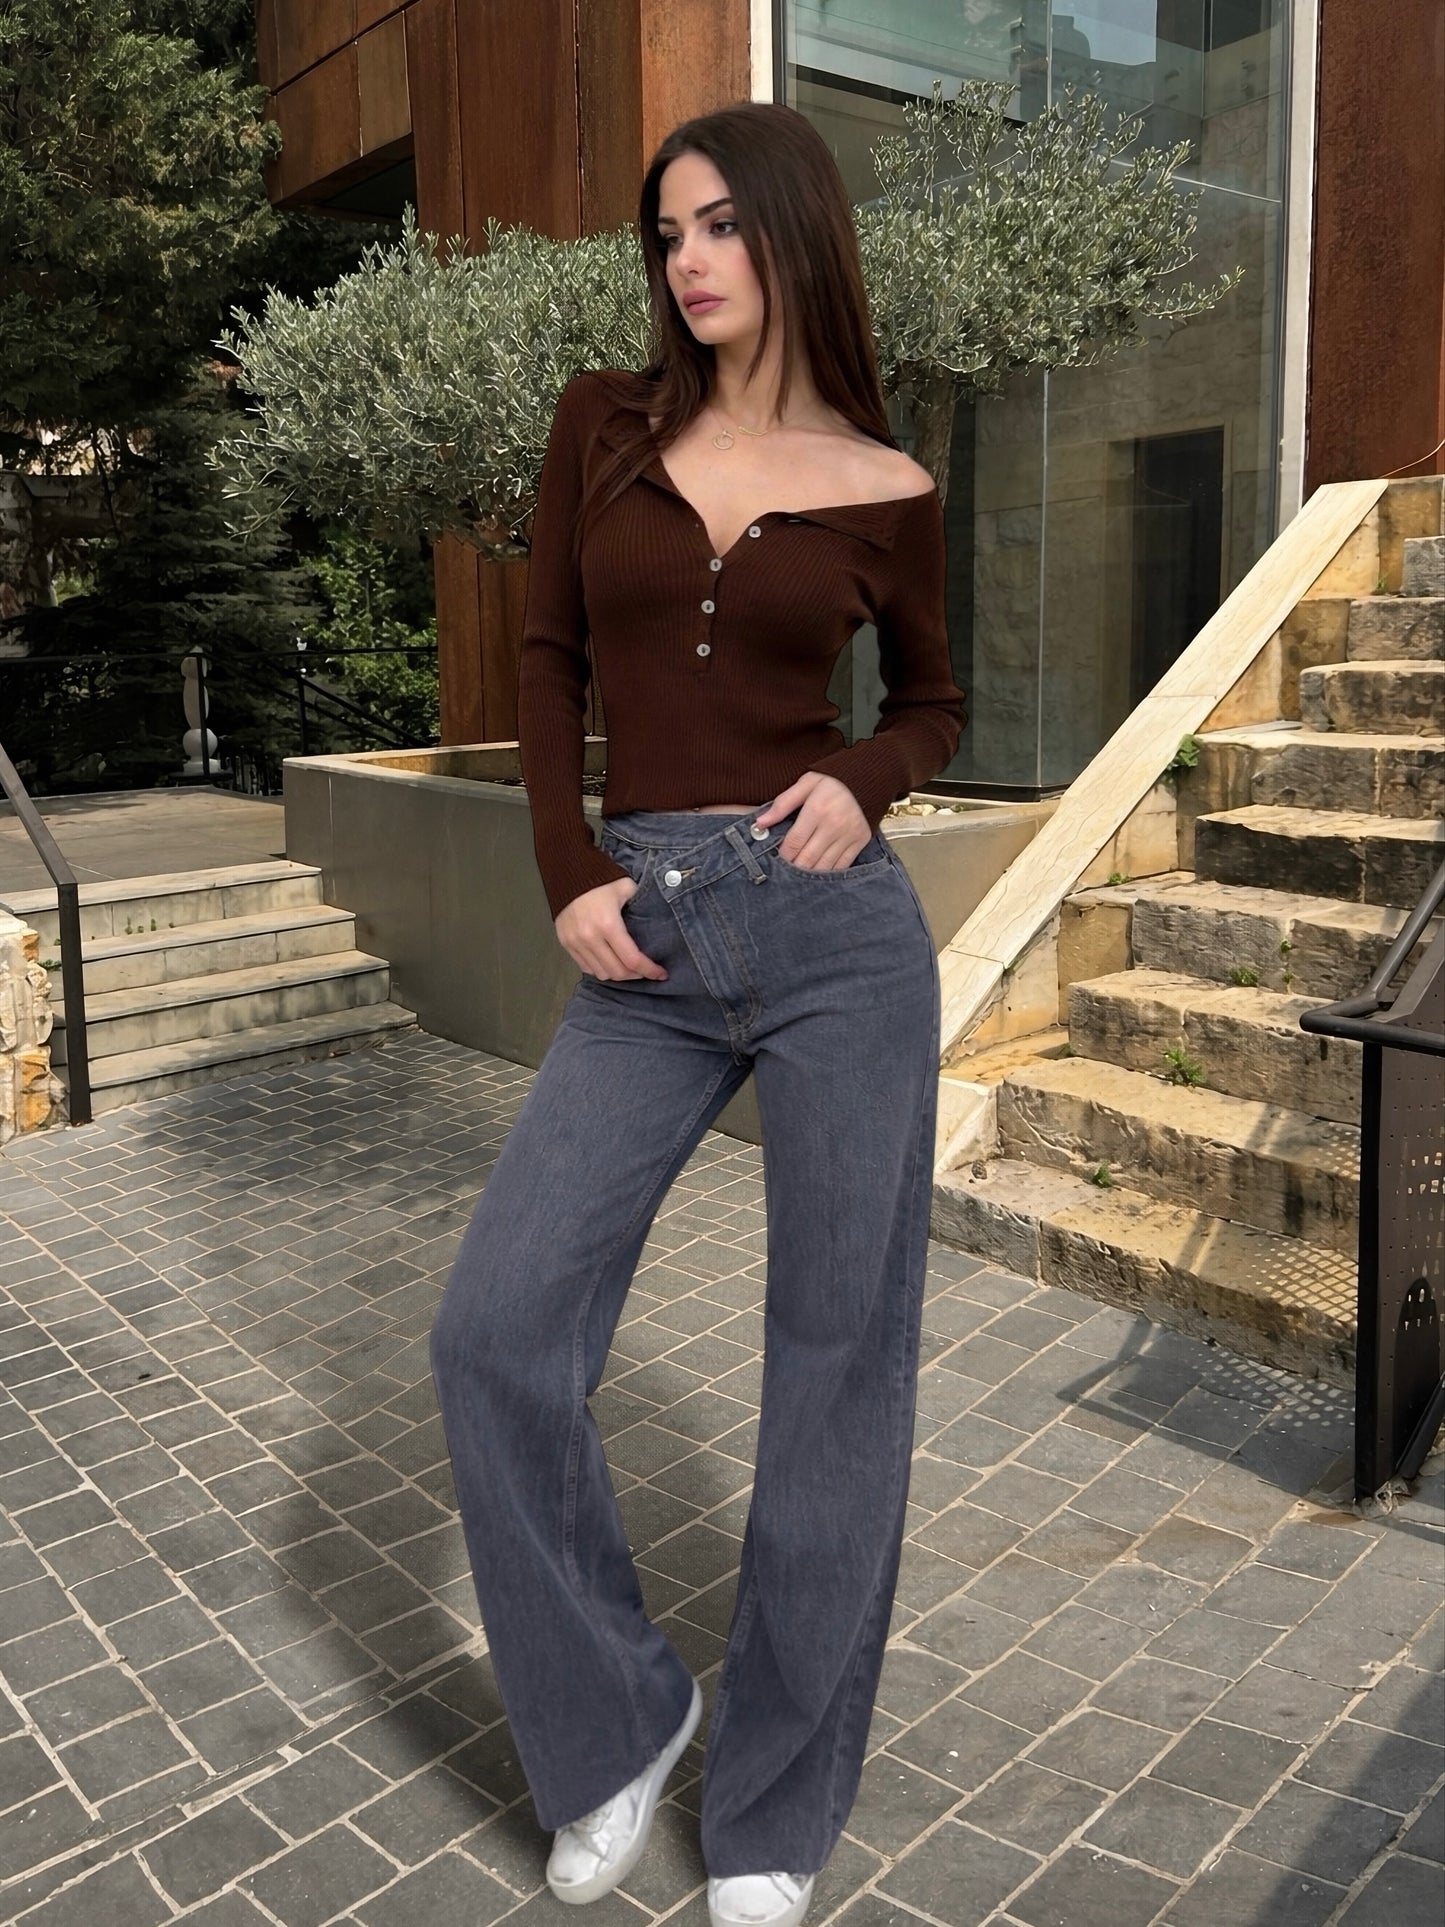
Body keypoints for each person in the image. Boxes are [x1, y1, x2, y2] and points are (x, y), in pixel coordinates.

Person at [431, 100, 967, 1927]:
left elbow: (939, 704)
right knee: (496, 1333)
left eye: (724, 225)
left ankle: (774, 1812)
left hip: (836, 942)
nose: (691, 261)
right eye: (668, 233)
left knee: (834, 1377)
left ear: (797, 234)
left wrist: (872, 776)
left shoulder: (890, 485)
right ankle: (616, 1729)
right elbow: (548, 654)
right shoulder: (608, 422)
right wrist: (566, 868)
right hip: (644, 940)